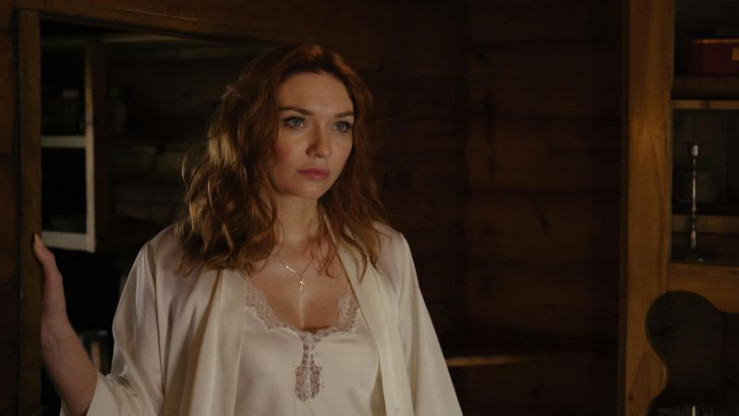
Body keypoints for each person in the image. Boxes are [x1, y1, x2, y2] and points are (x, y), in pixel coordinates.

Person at [34, 44, 462, 416]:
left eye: (341, 125)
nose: (323, 148)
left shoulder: (382, 253)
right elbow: (134, 407)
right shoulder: (173, 262)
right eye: (296, 121)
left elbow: (430, 399)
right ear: (249, 128)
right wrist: (54, 335)